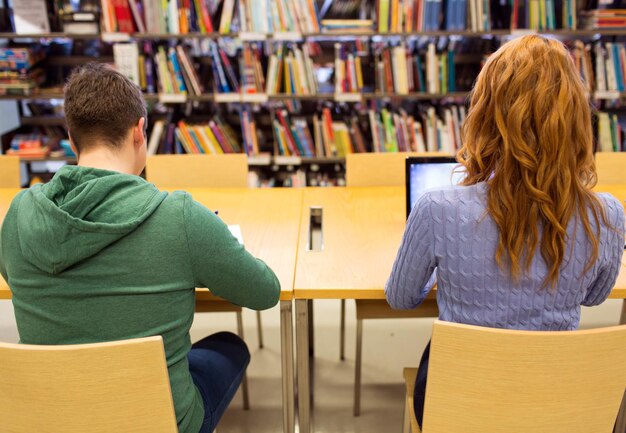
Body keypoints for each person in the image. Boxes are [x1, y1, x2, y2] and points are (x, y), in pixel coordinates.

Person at [0, 63, 281, 433]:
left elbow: (12, 274)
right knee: (229, 346)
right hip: (161, 420)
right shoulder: (179, 217)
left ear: (71, 137)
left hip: (54, 416)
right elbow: (265, 292)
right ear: (139, 130)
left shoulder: (20, 213)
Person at [385, 35, 625, 428]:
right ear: (577, 121)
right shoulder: (608, 215)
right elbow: (595, 297)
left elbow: (401, 298)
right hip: (559, 401)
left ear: (485, 113)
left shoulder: (437, 209)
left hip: (459, 399)